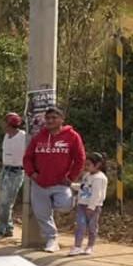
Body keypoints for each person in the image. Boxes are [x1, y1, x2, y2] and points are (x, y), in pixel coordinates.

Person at [23, 106, 86, 253]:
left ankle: (72, 196)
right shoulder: (39, 137)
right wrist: (32, 174)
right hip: (39, 183)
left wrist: (70, 177)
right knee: (42, 214)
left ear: (62, 119)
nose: (50, 121)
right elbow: (28, 158)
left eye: (54, 118)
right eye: (48, 118)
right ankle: (52, 240)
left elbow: (80, 158)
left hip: (60, 183)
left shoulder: (72, 136)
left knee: (65, 206)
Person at [0, 112, 27, 241]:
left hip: (16, 171)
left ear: (9, 124)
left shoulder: (23, 136)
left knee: (6, 203)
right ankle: (8, 228)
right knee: (2, 202)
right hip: (5, 170)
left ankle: (0, 230)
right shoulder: (6, 136)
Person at [70, 152, 108, 256]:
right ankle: (77, 246)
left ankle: (90, 246)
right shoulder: (87, 175)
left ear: (97, 165)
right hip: (82, 204)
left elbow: (97, 194)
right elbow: (83, 187)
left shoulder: (100, 178)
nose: (86, 167)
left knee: (92, 227)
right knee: (80, 225)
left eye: (88, 165)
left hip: (93, 207)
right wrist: (71, 185)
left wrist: (91, 207)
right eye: (85, 164)